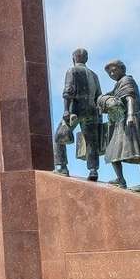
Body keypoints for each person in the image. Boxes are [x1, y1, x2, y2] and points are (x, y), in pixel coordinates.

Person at [101, 59, 140, 192]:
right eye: (109, 72)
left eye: (114, 70)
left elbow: (130, 98)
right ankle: (120, 179)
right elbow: (113, 96)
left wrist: (130, 115)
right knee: (113, 151)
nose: (112, 73)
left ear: (122, 69)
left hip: (133, 117)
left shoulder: (127, 80)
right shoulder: (118, 85)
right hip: (120, 121)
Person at [59, 49, 102, 181]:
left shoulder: (72, 71)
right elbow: (99, 96)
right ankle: (93, 170)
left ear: (73, 58)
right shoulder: (94, 75)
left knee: (59, 136)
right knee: (91, 143)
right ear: (86, 59)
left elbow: (68, 91)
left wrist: (66, 110)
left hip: (75, 111)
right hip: (92, 112)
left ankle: (62, 167)